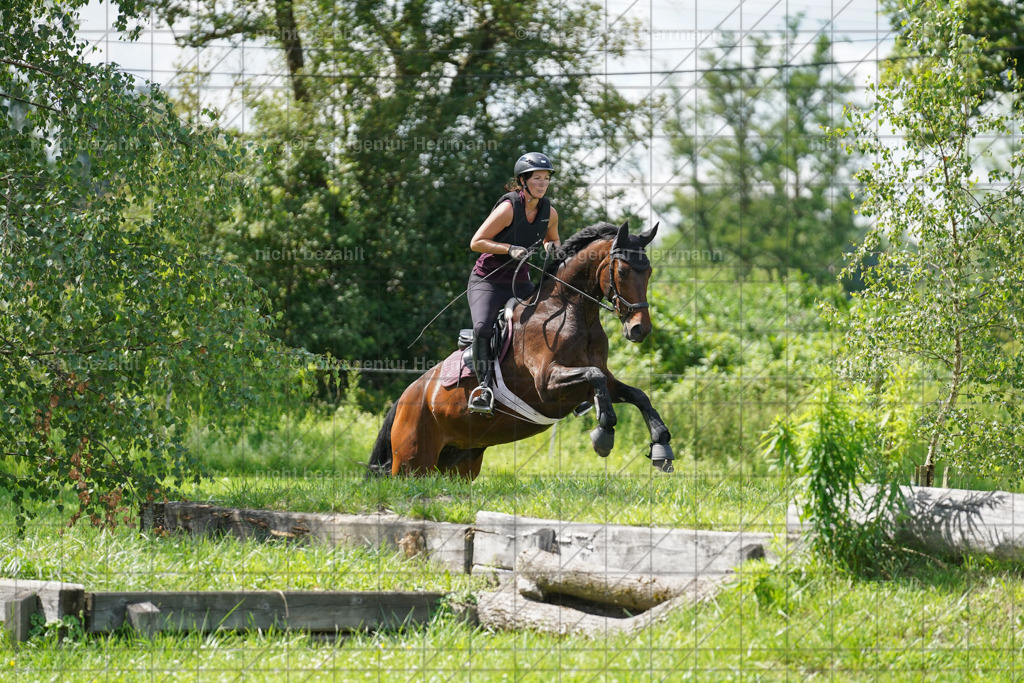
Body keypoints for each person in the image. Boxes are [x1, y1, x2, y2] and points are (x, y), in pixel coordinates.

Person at [466, 152, 561, 415]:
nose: (542, 184)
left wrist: (554, 248)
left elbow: (551, 239)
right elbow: (476, 242)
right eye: (537, 178)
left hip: (520, 282)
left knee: (549, 319)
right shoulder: (508, 208)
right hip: (488, 281)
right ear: (522, 181)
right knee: (483, 328)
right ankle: (484, 389)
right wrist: (508, 249)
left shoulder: (549, 212)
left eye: (546, 179)